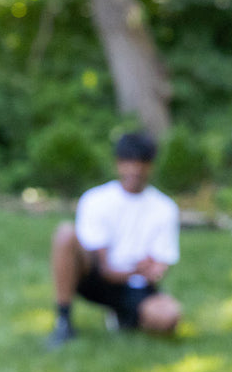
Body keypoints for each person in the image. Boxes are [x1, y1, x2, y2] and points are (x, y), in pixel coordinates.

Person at [47, 131, 182, 348]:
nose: (135, 169)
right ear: (118, 164)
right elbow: (105, 269)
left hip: (135, 287)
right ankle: (63, 320)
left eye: (141, 163)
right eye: (128, 162)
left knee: (169, 318)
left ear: (151, 165)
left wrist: (152, 271)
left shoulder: (165, 208)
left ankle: (126, 317)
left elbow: (159, 265)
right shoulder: (96, 200)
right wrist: (136, 269)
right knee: (65, 233)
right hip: (96, 280)